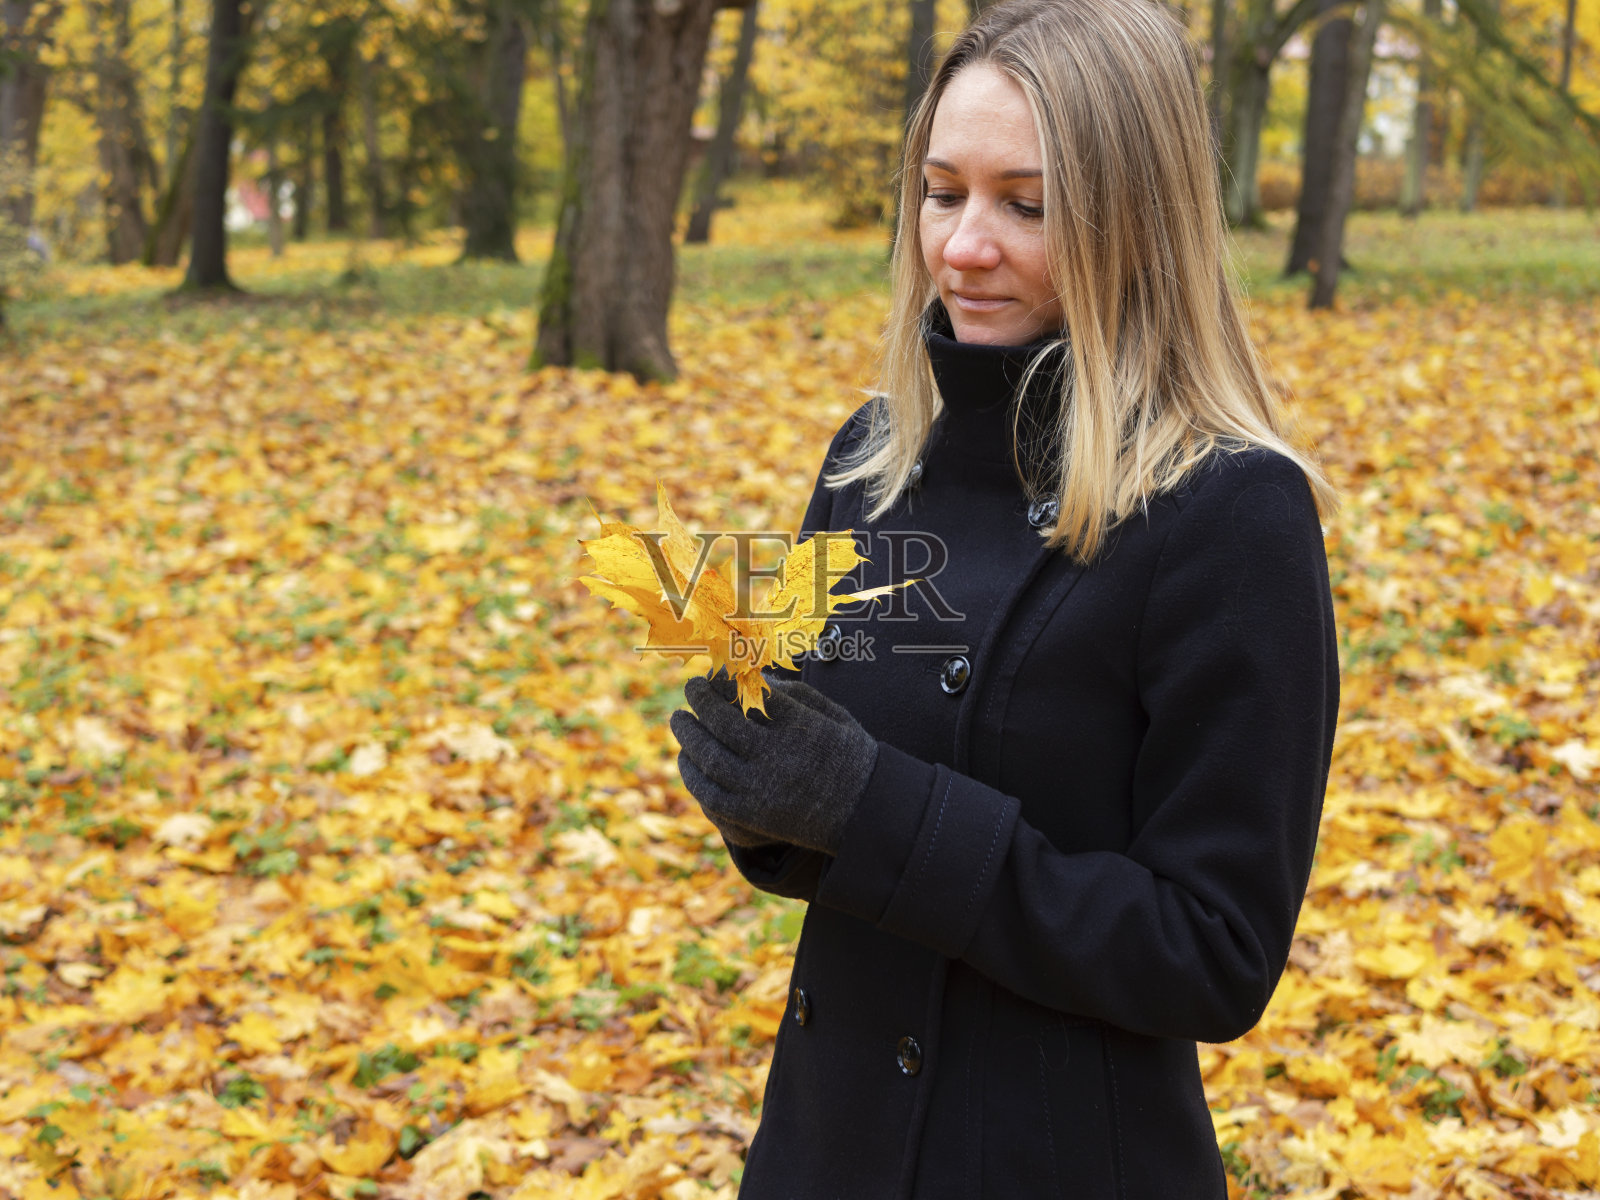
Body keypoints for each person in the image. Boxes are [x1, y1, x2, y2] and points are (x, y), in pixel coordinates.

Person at [668, 0, 1340, 1194]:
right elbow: (829, 819)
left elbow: (1214, 955)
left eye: (1026, 206)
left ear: (1138, 220)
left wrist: (870, 809)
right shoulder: (871, 458)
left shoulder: (1230, 511)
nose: (963, 247)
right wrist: (759, 790)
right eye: (941, 193)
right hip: (824, 1145)